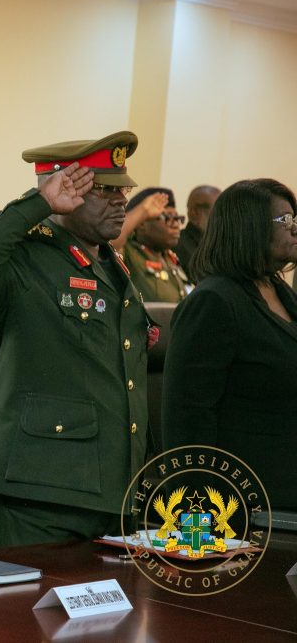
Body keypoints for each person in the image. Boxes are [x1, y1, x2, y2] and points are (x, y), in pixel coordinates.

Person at [0, 131, 152, 548]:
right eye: (103, 190)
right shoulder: (24, 257)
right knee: (18, 614)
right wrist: (36, 203)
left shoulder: (114, 268)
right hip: (32, 493)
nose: (120, 201)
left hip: (106, 492)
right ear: (63, 191)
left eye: (122, 189)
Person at [162, 178, 297, 511]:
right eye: (285, 220)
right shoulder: (214, 301)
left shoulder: (283, 293)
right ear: (248, 227)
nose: (294, 228)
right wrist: (196, 515)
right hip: (244, 503)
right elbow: (188, 418)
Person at [119, 187, 189, 302]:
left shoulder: (170, 258)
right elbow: (112, 240)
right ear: (141, 224)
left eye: (177, 218)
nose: (176, 225)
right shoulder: (128, 252)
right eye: (168, 218)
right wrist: (142, 210)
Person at [176, 184, 221, 280]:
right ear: (195, 212)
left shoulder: (220, 244)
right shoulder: (178, 243)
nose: (222, 215)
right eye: (217, 209)